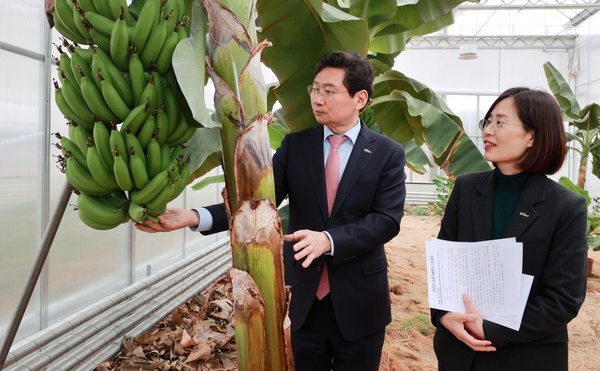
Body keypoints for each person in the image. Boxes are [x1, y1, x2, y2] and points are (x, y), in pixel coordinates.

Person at [136, 51, 407, 371]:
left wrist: (328, 240)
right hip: (302, 298)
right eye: (315, 89)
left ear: (359, 98)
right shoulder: (296, 147)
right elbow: (256, 203)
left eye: (329, 91)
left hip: (360, 301)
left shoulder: (386, 153)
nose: (318, 99)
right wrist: (194, 217)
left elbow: (386, 220)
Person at [430, 87, 588, 371]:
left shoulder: (565, 206)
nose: (488, 130)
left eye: (500, 122)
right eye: (487, 121)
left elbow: (563, 299)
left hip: (526, 356)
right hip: (459, 353)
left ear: (532, 136)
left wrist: (491, 328)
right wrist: (443, 315)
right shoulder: (466, 189)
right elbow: (446, 268)